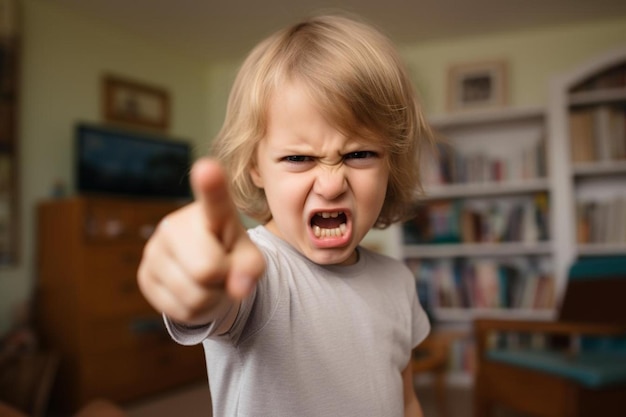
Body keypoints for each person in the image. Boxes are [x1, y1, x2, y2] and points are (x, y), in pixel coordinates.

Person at [137, 13, 433, 417]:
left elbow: (406, 397)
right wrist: (198, 281)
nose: (331, 185)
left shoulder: (397, 281)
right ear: (256, 167)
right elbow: (220, 301)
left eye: (359, 154)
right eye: (298, 158)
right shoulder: (260, 273)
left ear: (390, 163)